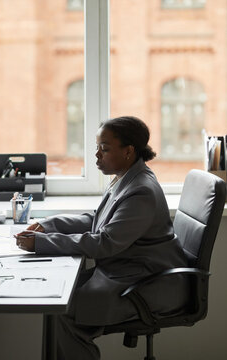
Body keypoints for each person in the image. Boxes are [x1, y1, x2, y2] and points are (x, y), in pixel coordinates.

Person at [15, 116, 189, 360]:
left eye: (104, 149)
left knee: (62, 308)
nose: (97, 155)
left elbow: (105, 242)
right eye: (97, 147)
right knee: (55, 293)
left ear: (128, 151)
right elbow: (97, 220)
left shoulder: (141, 191)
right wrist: (47, 225)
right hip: (125, 272)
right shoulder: (125, 178)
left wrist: (42, 243)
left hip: (145, 283)